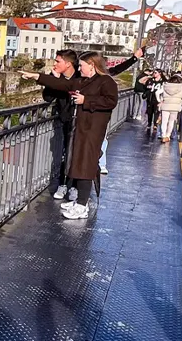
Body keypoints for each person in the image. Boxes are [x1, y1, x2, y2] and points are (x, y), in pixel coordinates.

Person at [21, 52, 118, 220]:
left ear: (92, 65)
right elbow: (60, 84)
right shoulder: (83, 81)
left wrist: (86, 101)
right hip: (80, 127)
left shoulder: (106, 81)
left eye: (81, 66)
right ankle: (81, 201)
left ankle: (81, 205)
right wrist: (37, 76)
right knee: (78, 163)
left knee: (86, 165)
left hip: (92, 130)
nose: (79, 69)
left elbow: (111, 101)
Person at [43, 49, 82, 202]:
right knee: (63, 154)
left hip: (80, 122)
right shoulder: (56, 77)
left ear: (68, 64)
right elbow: (47, 97)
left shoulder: (80, 78)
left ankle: (74, 186)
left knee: (76, 156)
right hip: (64, 122)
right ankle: (63, 184)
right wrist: (54, 81)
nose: (54, 63)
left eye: (58, 61)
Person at [159, 76, 182, 143]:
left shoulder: (165, 86)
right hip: (175, 107)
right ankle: (168, 136)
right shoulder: (180, 88)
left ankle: (163, 135)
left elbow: (157, 93)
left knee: (164, 122)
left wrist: (160, 100)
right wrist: (179, 103)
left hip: (165, 106)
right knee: (171, 122)